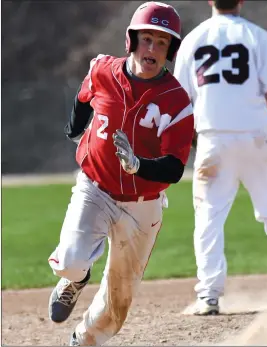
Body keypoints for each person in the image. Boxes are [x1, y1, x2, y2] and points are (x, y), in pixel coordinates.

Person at [47, 2, 194, 345]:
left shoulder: (177, 101)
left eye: (162, 43)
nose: (153, 49)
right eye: (147, 39)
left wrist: (139, 165)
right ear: (131, 41)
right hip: (95, 187)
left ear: (170, 51)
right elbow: (84, 97)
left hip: (143, 204)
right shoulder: (102, 70)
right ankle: (74, 280)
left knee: (119, 299)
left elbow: (173, 167)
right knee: (70, 261)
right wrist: (75, 130)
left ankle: (84, 339)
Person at [174, 0, 267, 315]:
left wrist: (192, 135)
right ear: (242, 1)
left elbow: (181, 97)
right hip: (255, 135)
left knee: (209, 218)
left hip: (212, 139)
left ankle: (208, 296)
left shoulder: (193, 39)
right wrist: (260, 122)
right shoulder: (257, 35)